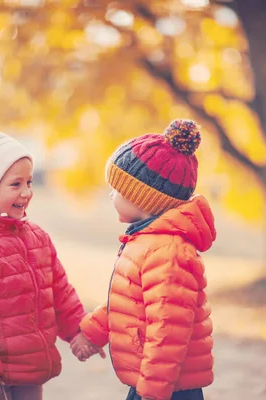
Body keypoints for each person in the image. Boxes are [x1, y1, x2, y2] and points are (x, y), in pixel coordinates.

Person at [0, 121, 103, 400]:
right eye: (16, 184)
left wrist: (78, 331)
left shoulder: (36, 237)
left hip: (30, 364)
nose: (26, 192)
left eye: (29, 182)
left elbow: (59, 290)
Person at [72, 119, 217, 400]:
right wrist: (92, 333)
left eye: (117, 190)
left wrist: (153, 390)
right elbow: (128, 300)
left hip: (168, 386)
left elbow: (169, 330)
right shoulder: (145, 241)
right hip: (151, 379)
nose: (111, 195)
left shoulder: (168, 253)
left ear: (143, 199)